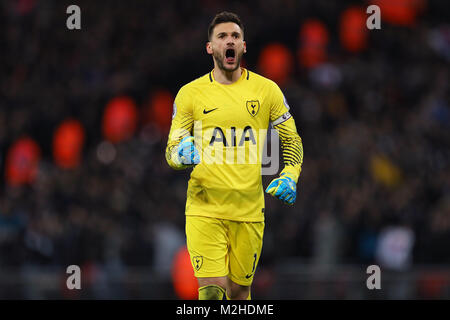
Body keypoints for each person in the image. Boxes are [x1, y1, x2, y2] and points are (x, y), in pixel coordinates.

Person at [165, 11, 303, 300]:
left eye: (235, 36)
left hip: (248, 209)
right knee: (213, 291)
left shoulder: (267, 91)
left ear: (243, 46)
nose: (230, 41)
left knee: (240, 293)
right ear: (210, 47)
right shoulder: (190, 94)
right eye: (222, 36)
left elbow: (291, 139)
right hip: (205, 207)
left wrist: (290, 174)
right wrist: (181, 154)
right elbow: (172, 146)